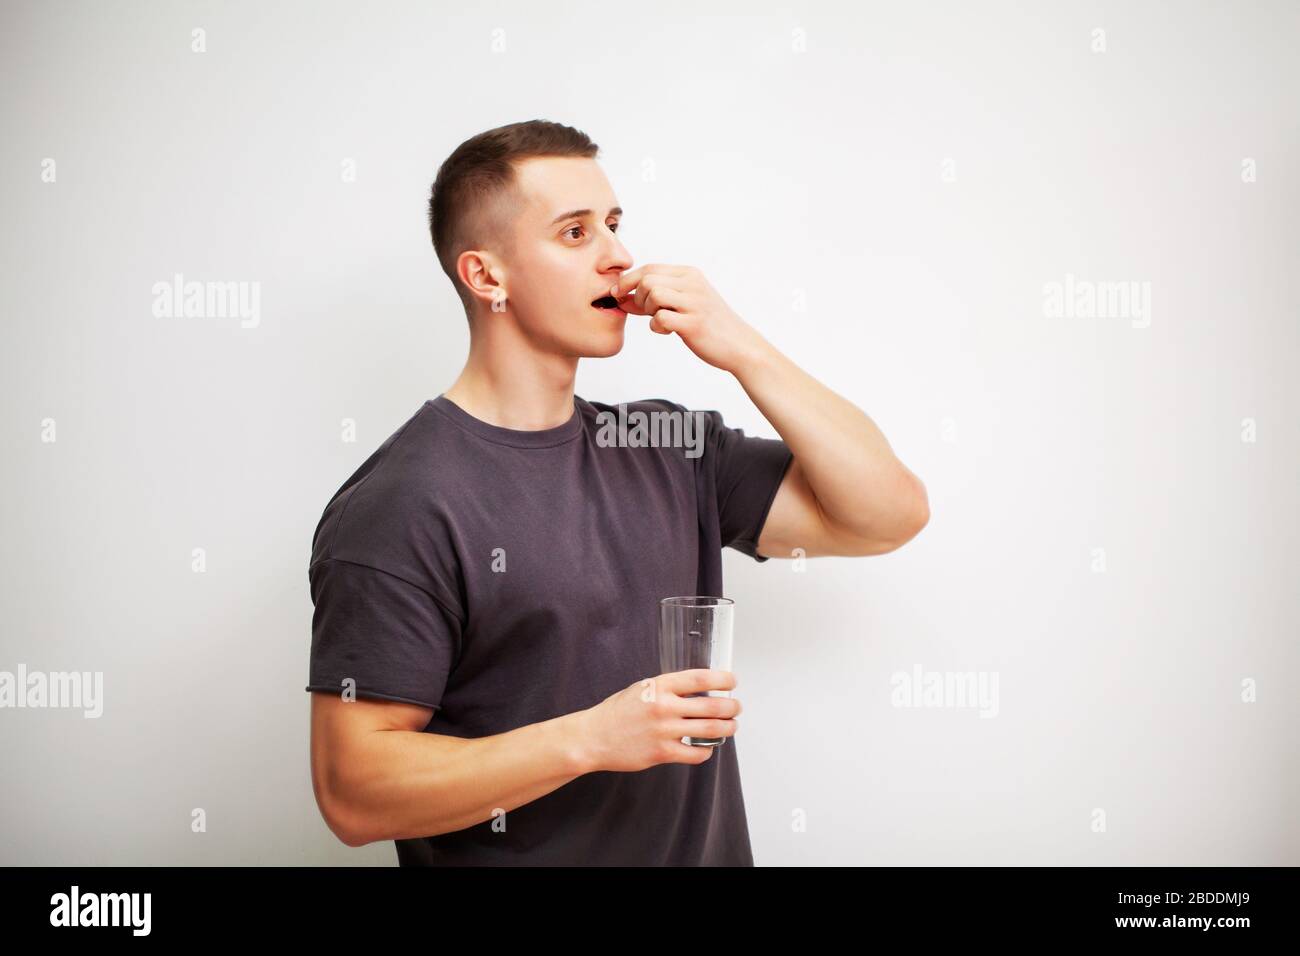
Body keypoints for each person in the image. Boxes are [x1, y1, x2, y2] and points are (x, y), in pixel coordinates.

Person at [305, 119, 930, 865]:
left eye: (613, 224)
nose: (619, 256)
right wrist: (591, 739)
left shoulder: (668, 447)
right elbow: (354, 793)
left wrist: (740, 347)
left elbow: (889, 514)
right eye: (574, 233)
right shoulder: (402, 503)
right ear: (487, 277)